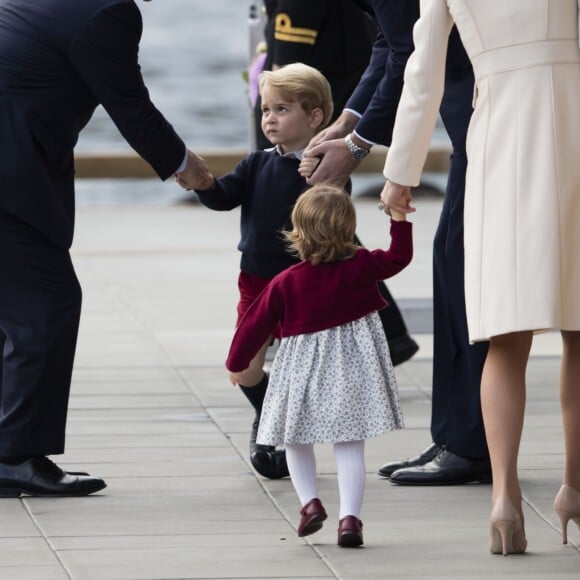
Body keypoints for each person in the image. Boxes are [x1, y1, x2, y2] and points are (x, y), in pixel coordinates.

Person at [381, 0, 580, 555]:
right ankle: (575, 489)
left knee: (504, 335)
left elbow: (423, 69)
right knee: (579, 333)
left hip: (500, 132)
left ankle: (504, 500)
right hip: (575, 113)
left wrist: (401, 172)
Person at [0, 0, 212, 497]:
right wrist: (187, 165)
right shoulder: (107, 12)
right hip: (11, 171)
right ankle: (12, 457)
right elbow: (130, 105)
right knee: (47, 306)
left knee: (18, 309)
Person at [301, 0, 491, 486]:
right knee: (454, 270)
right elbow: (389, 42)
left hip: (484, 118)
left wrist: (359, 147)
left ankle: (467, 443)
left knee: (459, 271)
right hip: (475, 119)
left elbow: (411, 52)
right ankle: (459, 437)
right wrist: (349, 119)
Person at [226, 183, 412, 547]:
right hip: (352, 370)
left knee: (295, 439)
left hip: (303, 372)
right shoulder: (361, 265)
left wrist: (236, 361)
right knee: (349, 446)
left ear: (298, 232)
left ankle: (310, 504)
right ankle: (350, 520)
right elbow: (398, 257)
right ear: (348, 228)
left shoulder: (286, 281)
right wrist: (399, 217)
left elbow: (254, 323)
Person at [253, 0, 420, 371]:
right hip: (329, 105)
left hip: (303, 112)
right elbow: (388, 42)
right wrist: (350, 123)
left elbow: (402, 45)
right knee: (318, 229)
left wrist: (274, 108)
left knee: (305, 224)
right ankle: (386, 334)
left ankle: (302, 334)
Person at [194, 63, 334, 480]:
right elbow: (222, 197)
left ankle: (275, 435)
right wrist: (201, 182)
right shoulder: (256, 163)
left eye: (282, 109)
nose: (269, 118)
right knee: (243, 368)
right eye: (265, 110)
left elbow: (334, 224)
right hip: (256, 281)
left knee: (300, 372)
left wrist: (323, 187)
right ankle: (266, 408)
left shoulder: (324, 169)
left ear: (314, 117)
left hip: (303, 286)